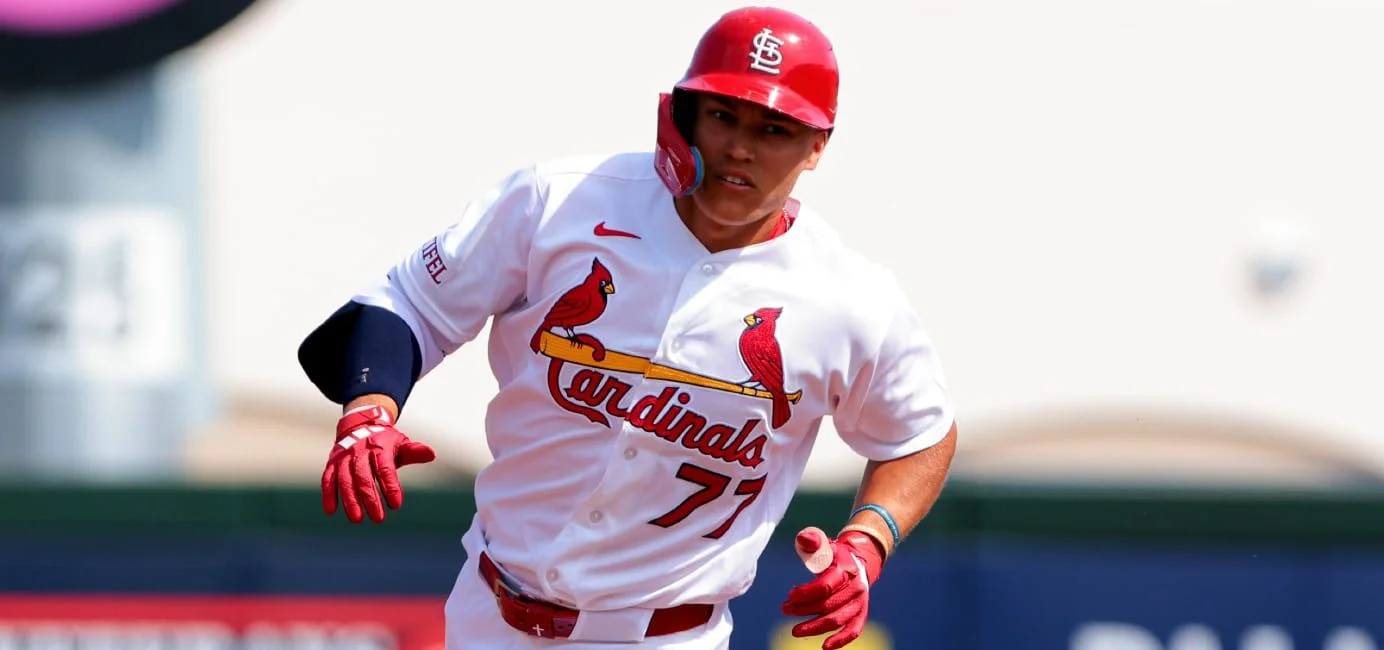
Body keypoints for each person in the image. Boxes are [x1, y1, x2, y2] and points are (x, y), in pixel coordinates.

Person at [297, 6, 957, 650]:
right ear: (683, 113)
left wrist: (867, 541)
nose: (740, 147)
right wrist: (370, 408)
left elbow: (920, 433)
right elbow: (409, 302)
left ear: (816, 147)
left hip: (668, 635)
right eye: (723, 115)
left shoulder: (849, 298)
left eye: (774, 128)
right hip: (489, 615)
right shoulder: (560, 200)